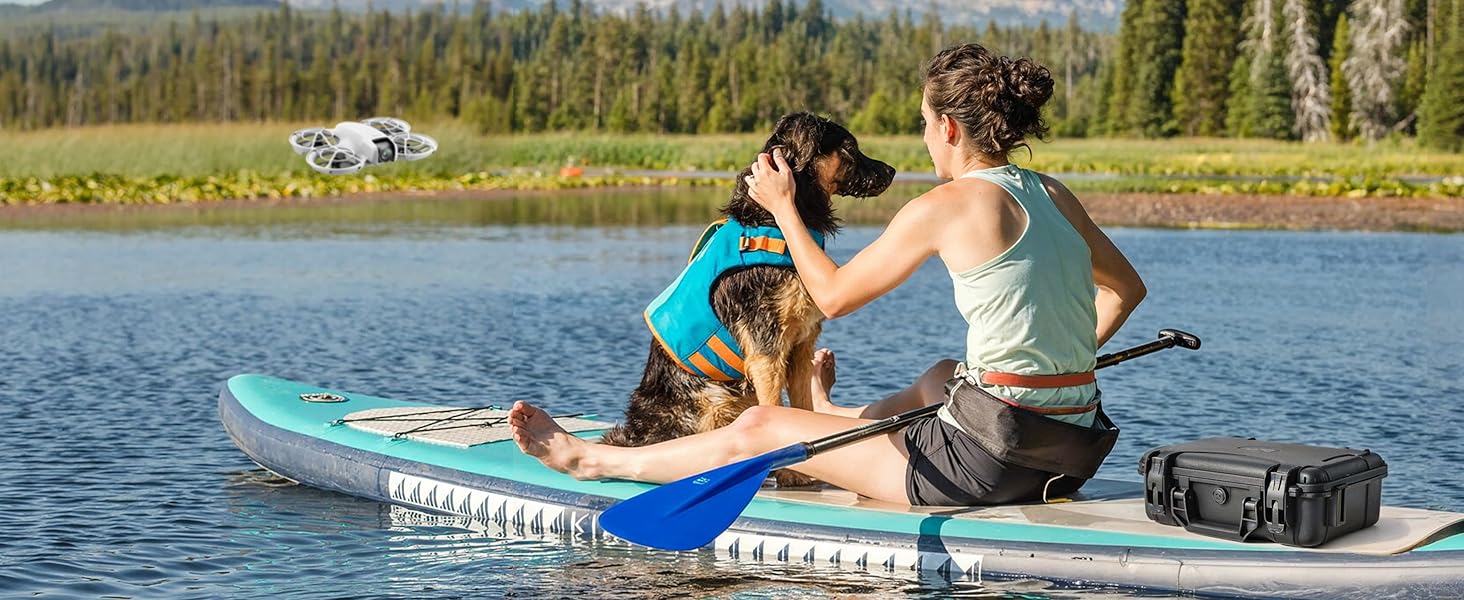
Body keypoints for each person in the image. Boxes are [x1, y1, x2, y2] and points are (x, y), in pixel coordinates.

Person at [509, 43, 1146, 506]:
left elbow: (833, 297)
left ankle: (587, 459)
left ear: (948, 127)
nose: (925, 140)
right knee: (944, 378)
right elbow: (1126, 288)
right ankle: (832, 414)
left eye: (925, 125)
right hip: (1074, 450)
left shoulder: (945, 206)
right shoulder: (1053, 192)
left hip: (986, 466)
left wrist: (785, 208)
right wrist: (1056, 364)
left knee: (758, 426)